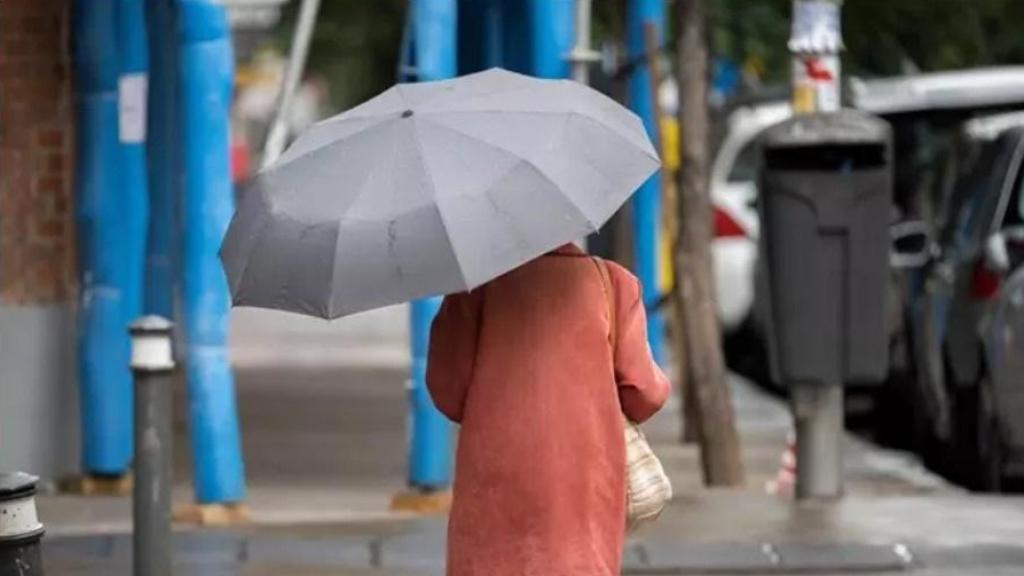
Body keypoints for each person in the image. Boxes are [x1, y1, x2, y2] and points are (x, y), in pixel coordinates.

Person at [427, 243, 671, 576]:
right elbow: (645, 394)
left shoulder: (476, 288)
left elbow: (447, 390)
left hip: (494, 475)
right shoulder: (611, 283)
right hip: (585, 476)